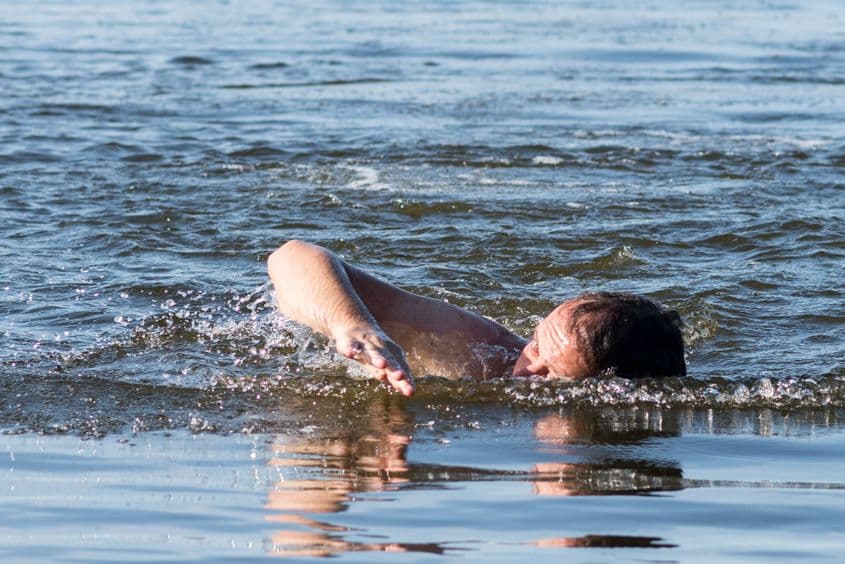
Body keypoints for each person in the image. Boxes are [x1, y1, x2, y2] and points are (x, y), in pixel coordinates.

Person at [267, 240, 686, 397]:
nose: (525, 369)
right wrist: (352, 322)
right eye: (535, 345)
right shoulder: (485, 348)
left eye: (548, 377)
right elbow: (290, 257)